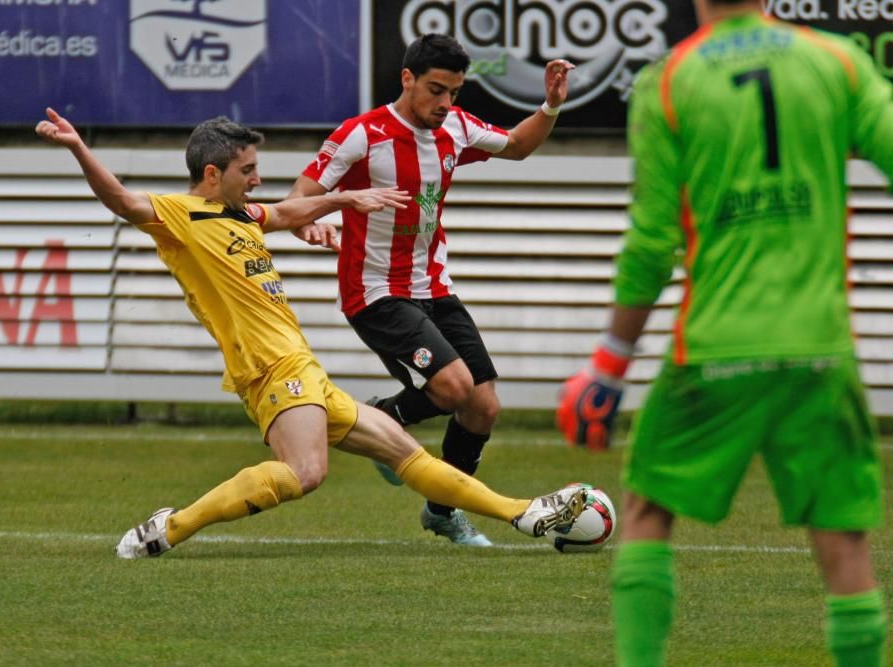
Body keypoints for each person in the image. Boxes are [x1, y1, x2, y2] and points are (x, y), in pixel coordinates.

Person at [34, 108, 588, 558]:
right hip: (271, 370)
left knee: (404, 452)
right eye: (247, 170)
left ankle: (523, 513)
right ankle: (169, 529)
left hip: (304, 368)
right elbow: (123, 202)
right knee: (306, 472)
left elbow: (285, 210)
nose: (256, 180)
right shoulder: (182, 215)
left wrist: (342, 200)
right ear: (212, 175)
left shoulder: (243, 216)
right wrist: (81, 148)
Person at [558, 1, 892, 665]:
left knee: (648, 509)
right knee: (844, 542)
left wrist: (609, 364)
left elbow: (652, 244)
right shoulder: (837, 62)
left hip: (713, 347)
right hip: (819, 346)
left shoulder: (670, 81)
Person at [288, 33, 576, 546]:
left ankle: (441, 510)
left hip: (434, 287)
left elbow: (517, 145)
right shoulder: (362, 135)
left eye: (454, 93)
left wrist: (549, 105)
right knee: (452, 388)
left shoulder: (457, 128)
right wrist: (312, 224)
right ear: (407, 79)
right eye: (436, 90)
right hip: (375, 293)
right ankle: (382, 419)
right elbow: (301, 197)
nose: (445, 104)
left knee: (483, 406)